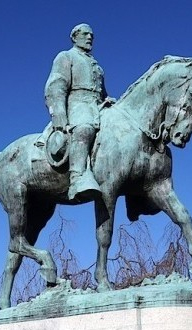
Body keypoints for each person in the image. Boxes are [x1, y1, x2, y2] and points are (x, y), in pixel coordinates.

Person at [44, 23, 111, 201]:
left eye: (92, 36)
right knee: (84, 128)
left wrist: (108, 100)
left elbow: (102, 92)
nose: (90, 38)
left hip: (97, 105)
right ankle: (77, 178)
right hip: (77, 104)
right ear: (74, 37)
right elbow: (56, 85)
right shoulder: (66, 56)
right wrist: (58, 112)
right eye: (86, 34)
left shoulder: (97, 66)